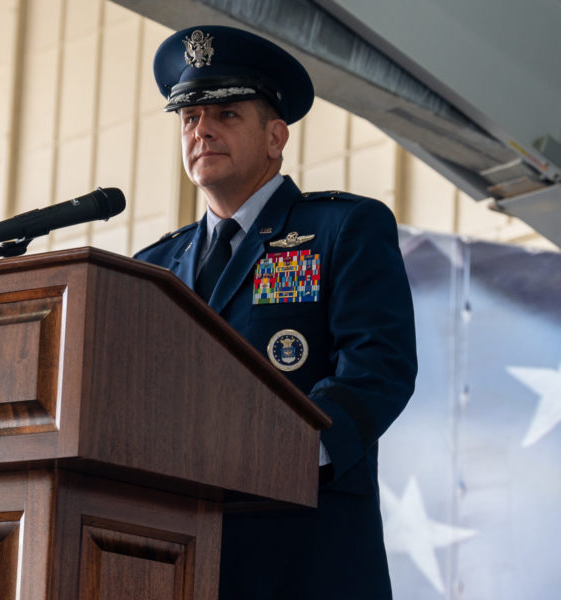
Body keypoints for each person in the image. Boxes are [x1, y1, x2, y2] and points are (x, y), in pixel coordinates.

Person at [135, 25, 417, 599]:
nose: (202, 130)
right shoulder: (153, 266)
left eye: (227, 115)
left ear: (275, 136)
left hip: (303, 545)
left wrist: (274, 459)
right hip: (176, 553)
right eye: (190, 120)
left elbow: (378, 367)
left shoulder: (342, 228)